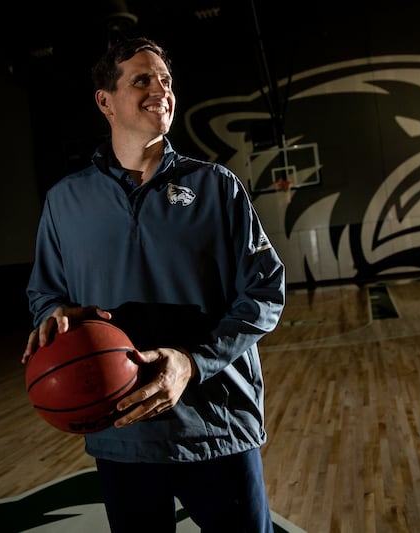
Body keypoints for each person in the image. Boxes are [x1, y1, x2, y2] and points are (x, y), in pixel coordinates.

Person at [21, 36, 286, 533]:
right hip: (121, 431)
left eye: (165, 80)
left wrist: (192, 362)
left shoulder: (215, 186)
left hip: (214, 423)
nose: (159, 90)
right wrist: (53, 316)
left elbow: (265, 290)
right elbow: (45, 292)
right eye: (141, 79)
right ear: (105, 101)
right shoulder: (65, 201)